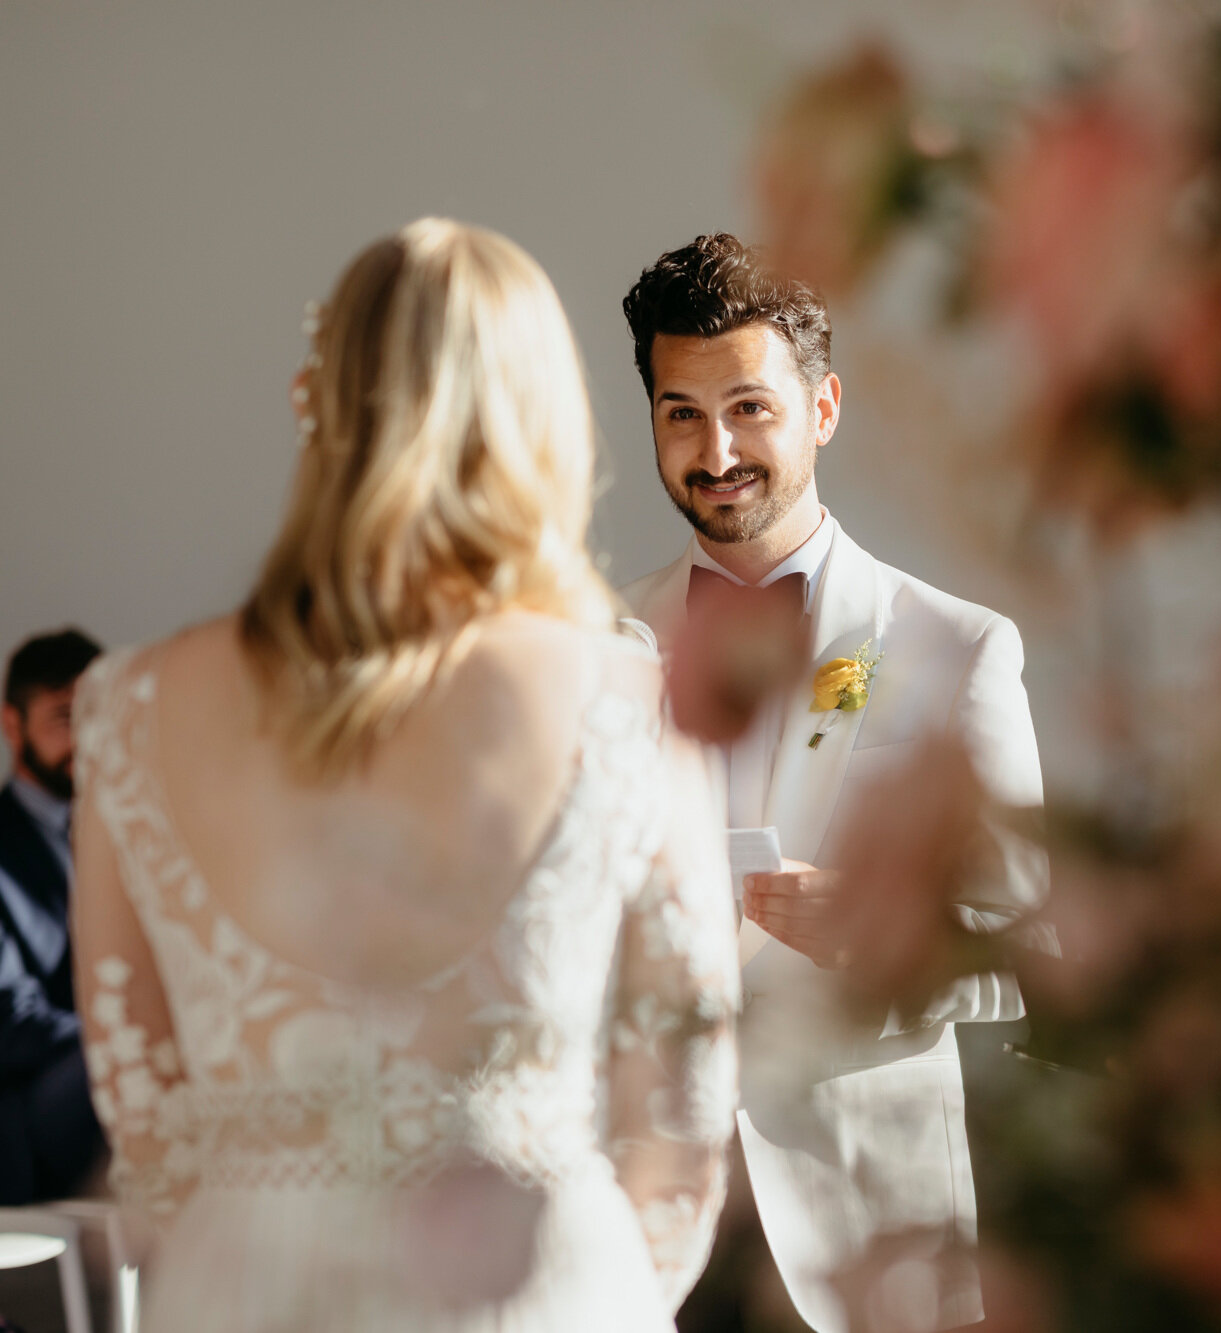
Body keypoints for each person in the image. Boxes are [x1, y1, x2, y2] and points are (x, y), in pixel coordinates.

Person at [68, 219, 739, 1332]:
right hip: (536, 1288)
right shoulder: (629, 698)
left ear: (320, 405)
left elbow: (146, 1118)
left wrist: (259, 1246)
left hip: (250, 1297)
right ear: (545, 421)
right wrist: (598, 1290)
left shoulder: (128, 706)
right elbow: (680, 1111)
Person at [621, 234, 1050, 1333]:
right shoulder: (593, 645)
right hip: (633, 1226)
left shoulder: (957, 648)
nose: (716, 449)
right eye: (681, 413)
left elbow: (1025, 941)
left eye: (749, 408)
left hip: (864, 1232)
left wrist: (877, 939)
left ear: (822, 408)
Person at [0, 628, 105, 1204]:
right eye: (65, 718)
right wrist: (123, 1036)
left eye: (97, 715)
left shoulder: (125, 829)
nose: (86, 737)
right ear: (11, 724)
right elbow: (11, 1021)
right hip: (29, 1107)